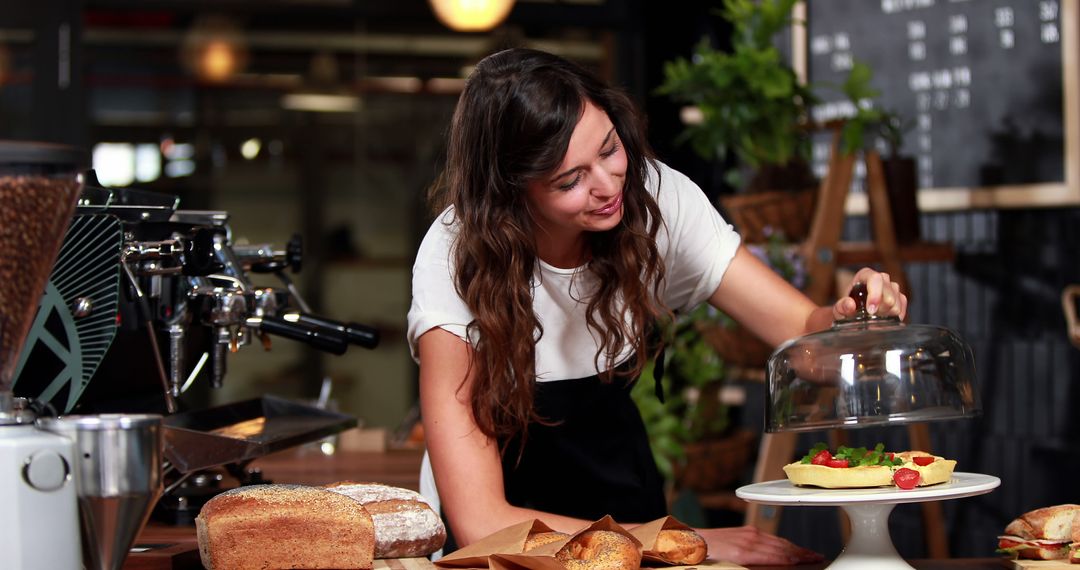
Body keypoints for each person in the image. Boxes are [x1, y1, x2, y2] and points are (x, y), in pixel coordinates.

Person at [407, 48, 906, 566]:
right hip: (509, 541)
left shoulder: (655, 199)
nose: (606, 185)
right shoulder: (456, 257)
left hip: (620, 499)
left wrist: (853, 320)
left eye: (609, 149)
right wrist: (681, 542)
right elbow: (480, 521)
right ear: (510, 193)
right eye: (569, 180)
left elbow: (805, 341)